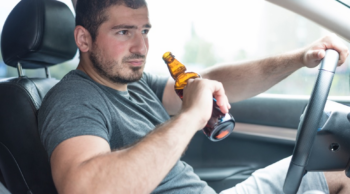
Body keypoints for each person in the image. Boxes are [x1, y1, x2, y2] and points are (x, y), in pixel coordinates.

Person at [38, 0, 350, 193]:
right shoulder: (73, 98)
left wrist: (300, 58)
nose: (141, 47)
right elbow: (86, 189)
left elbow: (219, 81)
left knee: (337, 169)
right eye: (123, 32)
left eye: (144, 31)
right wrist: (191, 117)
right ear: (83, 38)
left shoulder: (136, 83)